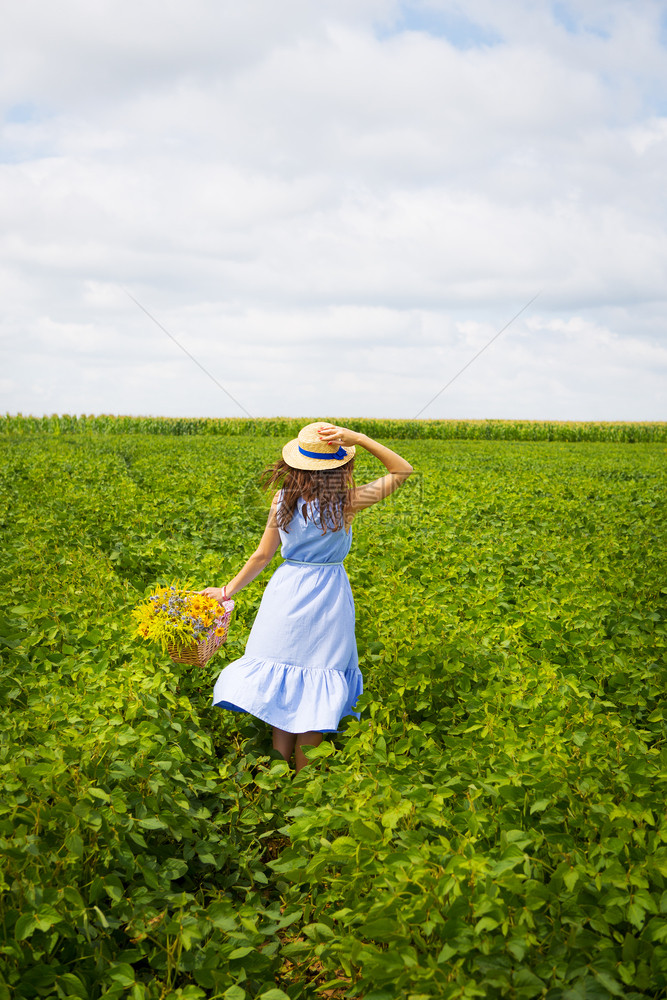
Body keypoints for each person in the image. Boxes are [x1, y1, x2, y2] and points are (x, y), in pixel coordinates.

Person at [201, 421, 413, 772]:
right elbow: (401, 470)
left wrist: (225, 591)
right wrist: (358, 438)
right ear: (341, 467)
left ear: (296, 464)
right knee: (318, 678)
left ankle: (277, 776)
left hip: (285, 593)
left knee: (287, 681)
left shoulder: (283, 499)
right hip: (328, 594)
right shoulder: (347, 502)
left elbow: (262, 556)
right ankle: (302, 783)